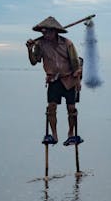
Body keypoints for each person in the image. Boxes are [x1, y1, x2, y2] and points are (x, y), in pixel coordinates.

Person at [26, 16, 84, 146]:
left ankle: (70, 134)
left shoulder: (67, 43)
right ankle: (54, 135)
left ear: (54, 31)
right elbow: (34, 61)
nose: (45, 34)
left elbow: (76, 63)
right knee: (51, 107)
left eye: (47, 31)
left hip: (69, 79)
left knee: (71, 108)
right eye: (43, 32)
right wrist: (29, 49)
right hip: (53, 80)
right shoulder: (40, 44)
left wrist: (78, 81)